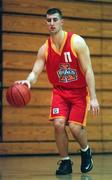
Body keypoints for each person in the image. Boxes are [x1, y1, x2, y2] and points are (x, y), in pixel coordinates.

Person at [16, 8, 99, 175]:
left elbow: (88, 70)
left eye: (55, 20)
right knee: (58, 124)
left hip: (79, 92)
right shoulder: (44, 49)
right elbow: (35, 72)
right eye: (49, 20)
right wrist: (28, 81)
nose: (51, 23)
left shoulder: (77, 42)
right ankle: (65, 161)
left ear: (62, 21)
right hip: (60, 92)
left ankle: (86, 150)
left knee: (75, 128)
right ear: (46, 23)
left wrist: (94, 98)